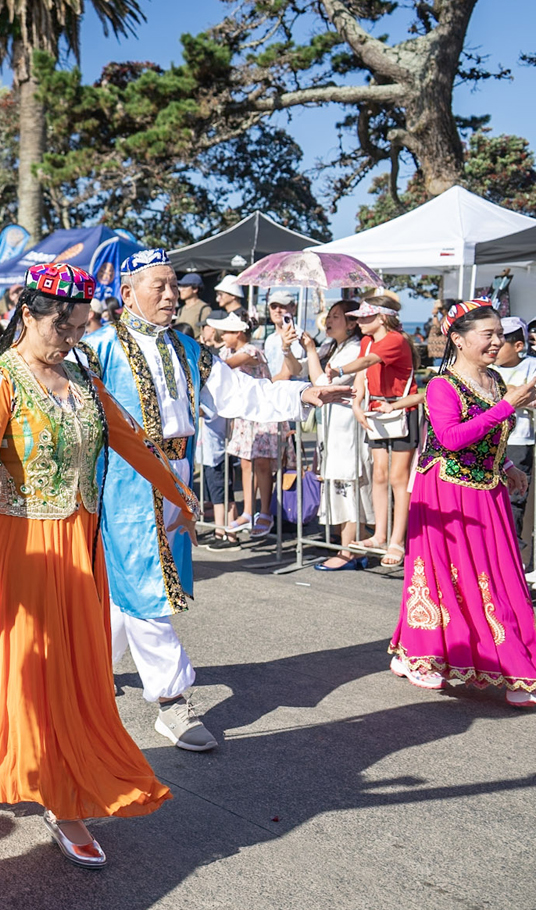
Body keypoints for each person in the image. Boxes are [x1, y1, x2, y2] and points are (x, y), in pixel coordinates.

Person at [0, 262, 197, 868]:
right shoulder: (1, 380)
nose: (72, 339)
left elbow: (129, 437)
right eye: (63, 328)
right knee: (34, 669)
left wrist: (180, 494)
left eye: (81, 327)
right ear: (29, 315)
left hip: (80, 546)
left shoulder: (82, 375)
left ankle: (42, 768)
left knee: (73, 670)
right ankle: (62, 801)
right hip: (22, 546)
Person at [78, 250, 346, 752]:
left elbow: (238, 393)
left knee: (132, 585)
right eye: (158, 285)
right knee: (147, 586)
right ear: (127, 293)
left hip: (178, 476)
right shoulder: (96, 349)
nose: (170, 294)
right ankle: (171, 700)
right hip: (126, 480)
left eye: (173, 284)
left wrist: (301, 394)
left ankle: (89, 670)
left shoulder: (187, 348)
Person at [389, 300, 536, 706]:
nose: (497, 342)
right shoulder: (443, 385)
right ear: (458, 339)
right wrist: (509, 405)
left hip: (487, 491)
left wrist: (507, 465)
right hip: (446, 493)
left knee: (501, 578)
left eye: (499, 334)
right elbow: (451, 438)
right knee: (444, 576)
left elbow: (489, 432)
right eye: (488, 334)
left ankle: (514, 666)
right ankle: (424, 655)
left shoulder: (494, 380)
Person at [299, 301, 376, 569]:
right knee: (343, 488)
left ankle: (348, 551)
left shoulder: (354, 349)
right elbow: (300, 371)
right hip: (334, 430)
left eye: (335, 317)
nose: (329, 321)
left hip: (347, 430)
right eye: (328, 316)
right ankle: (355, 546)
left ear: (352, 323)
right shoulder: (335, 347)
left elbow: (322, 384)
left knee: (349, 488)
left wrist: (311, 350)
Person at [350, 292, 420, 569]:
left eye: (365, 317)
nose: (359, 323)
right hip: (376, 409)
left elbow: (366, 363)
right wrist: (356, 403)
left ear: (381, 318)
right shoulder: (366, 341)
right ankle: (380, 534)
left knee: (398, 477)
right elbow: (362, 375)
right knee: (378, 474)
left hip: (402, 409)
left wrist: (335, 369)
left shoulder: (395, 339)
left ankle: (397, 540)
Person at [215, 313, 283, 539]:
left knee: (262, 463)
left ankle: (265, 512)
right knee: (245, 463)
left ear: (238, 333)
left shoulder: (251, 351)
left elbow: (226, 366)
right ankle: (247, 511)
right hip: (245, 414)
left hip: (263, 413)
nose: (222, 336)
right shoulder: (226, 352)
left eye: (226, 332)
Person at [492, 316, 536, 561]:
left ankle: (512, 559)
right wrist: (516, 394)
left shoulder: (531, 366)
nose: (495, 347)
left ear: (518, 345)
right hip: (488, 440)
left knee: (514, 501)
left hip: (518, 442)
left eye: (502, 342)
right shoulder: (487, 367)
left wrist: (508, 394)